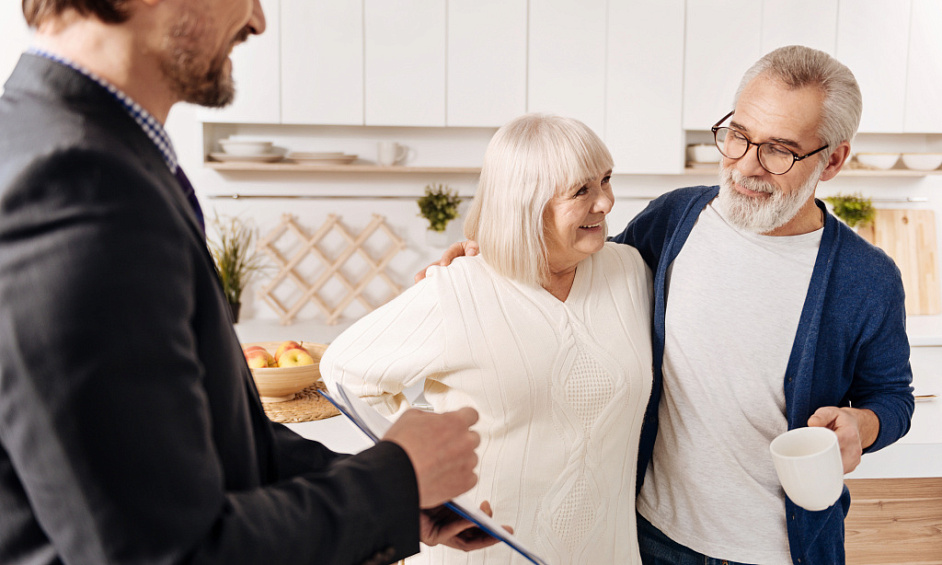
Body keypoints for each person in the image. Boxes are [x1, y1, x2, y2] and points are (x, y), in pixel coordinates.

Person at [0, 1, 498, 564]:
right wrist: (395, 479)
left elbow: (200, 445)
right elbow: (170, 553)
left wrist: (392, 494)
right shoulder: (76, 183)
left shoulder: (67, 144)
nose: (258, 20)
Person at [424, 46, 915, 565]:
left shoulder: (868, 279)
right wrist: (489, 262)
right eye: (739, 135)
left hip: (781, 550)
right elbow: (581, 275)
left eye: (779, 150)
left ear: (833, 160)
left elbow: (892, 396)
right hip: (650, 537)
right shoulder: (674, 220)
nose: (746, 166)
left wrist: (865, 425)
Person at [320, 113, 654, 564]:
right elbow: (342, 369)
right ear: (525, 203)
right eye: (582, 190)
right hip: (485, 551)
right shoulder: (458, 288)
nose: (606, 202)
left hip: (605, 552)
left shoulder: (631, 271)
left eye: (606, 181)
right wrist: (422, 474)